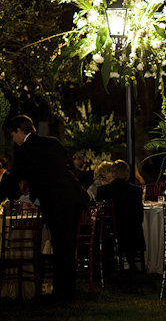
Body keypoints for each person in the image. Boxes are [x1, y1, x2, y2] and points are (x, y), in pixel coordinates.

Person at [0, 115, 89, 300]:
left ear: (19, 131)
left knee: (60, 245)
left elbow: (15, 178)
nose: (13, 140)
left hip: (56, 201)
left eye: (12, 135)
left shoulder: (25, 149)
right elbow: (71, 170)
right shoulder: (53, 142)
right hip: (73, 197)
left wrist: (2, 178)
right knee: (68, 245)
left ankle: (62, 293)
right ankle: (68, 290)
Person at [97, 160, 146, 273]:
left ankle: (109, 265)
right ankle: (133, 264)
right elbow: (140, 217)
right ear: (127, 174)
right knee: (135, 227)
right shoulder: (136, 191)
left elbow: (101, 215)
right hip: (132, 232)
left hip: (111, 233)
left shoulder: (103, 190)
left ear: (113, 173)